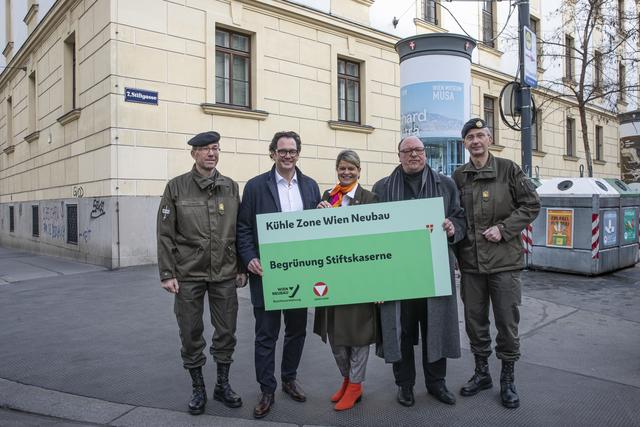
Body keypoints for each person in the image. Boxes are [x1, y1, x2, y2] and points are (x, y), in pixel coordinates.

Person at [452, 118, 540, 409]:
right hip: (472, 265)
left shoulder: (509, 169)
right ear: (464, 143)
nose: (475, 141)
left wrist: (504, 229)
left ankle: (507, 378)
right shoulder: (459, 176)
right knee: (475, 323)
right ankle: (482, 373)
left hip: (504, 264)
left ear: (489, 139)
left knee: (506, 323)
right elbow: (456, 216)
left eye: (480, 135)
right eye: (470, 138)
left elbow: (531, 205)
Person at [156, 131, 246, 415]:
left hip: (225, 273)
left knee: (226, 331)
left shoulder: (230, 187)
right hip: (188, 273)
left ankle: (222, 385)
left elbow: (239, 230)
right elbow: (165, 234)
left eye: (215, 148)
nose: (211, 153)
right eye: (206, 149)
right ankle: (198, 388)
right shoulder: (176, 187)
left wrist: (242, 267)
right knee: (191, 332)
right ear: (193, 153)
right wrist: (167, 273)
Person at [372, 136, 465, 407]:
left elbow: (459, 217)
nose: (414, 155)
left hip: (433, 270)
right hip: (397, 272)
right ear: (398, 155)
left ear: (425, 154)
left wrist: (452, 228)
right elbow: (372, 230)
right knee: (401, 329)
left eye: (418, 150)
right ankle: (405, 385)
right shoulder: (382, 187)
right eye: (407, 151)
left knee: (435, 326)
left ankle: (437, 383)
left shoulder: (445, 184)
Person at [236, 131, 321, 419]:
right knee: (266, 335)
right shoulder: (256, 186)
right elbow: (244, 227)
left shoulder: (310, 187)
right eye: (282, 151)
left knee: (297, 330)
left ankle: (288, 379)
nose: (287, 156)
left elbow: (317, 229)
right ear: (272, 153)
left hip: (300, 272)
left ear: (299, 153)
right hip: (267, 273)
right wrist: (249, 258)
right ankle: (267, 389)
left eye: (292, 151)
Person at [313, 150, 379, 411]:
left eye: (351, 168)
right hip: (333, 277)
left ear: (359, 171)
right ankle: (346, 379)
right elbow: (317, 240)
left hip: (360, 278)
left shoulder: (370, 199)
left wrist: (379, 283)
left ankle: (356, 385)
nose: (346, 172)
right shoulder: (328, 198)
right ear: (337, 169)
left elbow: (377, 242)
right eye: (342, 168)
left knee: (358, 334)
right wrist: (315, 217)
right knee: (335, 334)